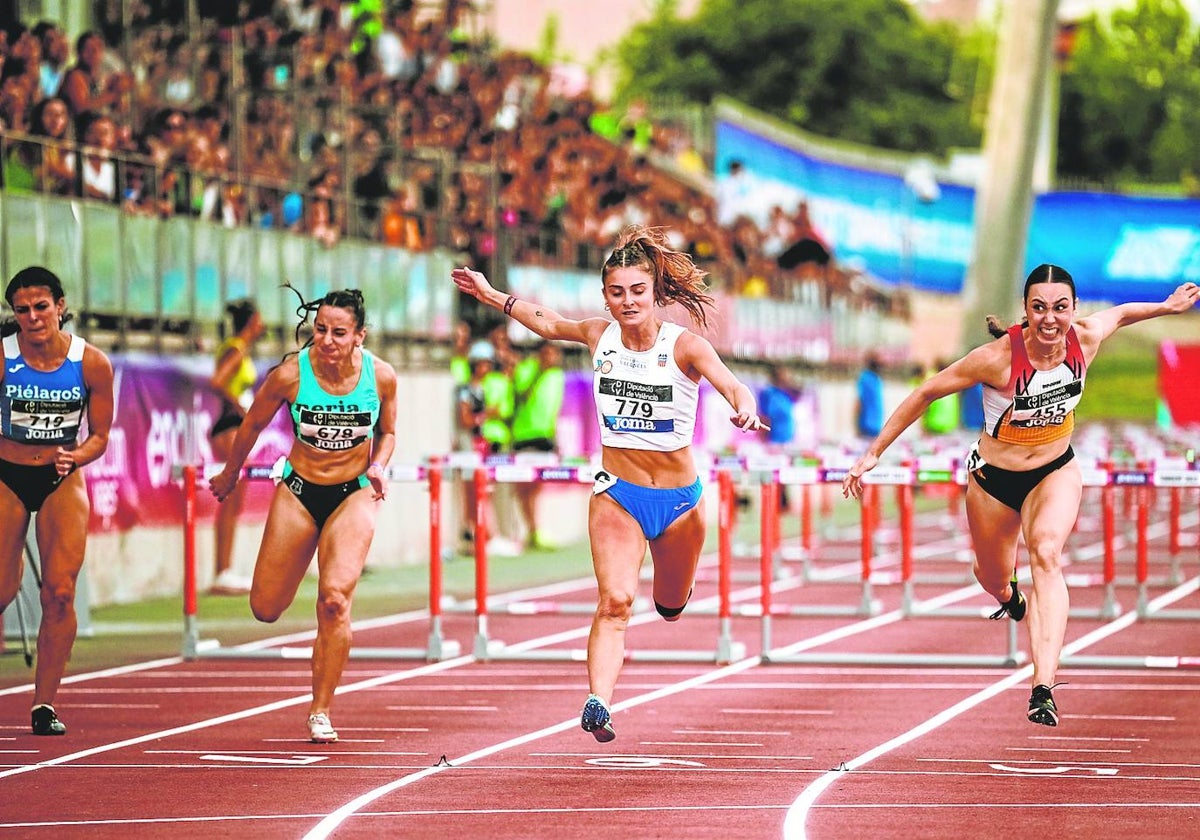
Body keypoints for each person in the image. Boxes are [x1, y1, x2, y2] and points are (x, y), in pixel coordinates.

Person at [842, 265, 1200, 727]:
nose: (1051, 319)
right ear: (1026, 311)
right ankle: (1009, 596)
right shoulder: (996, 358)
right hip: (994, 481)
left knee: (1047, 553)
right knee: (992, 575)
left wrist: (1167, 307)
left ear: (1074, 309)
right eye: (1039, 308)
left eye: (1061, 308)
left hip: (1055, 470)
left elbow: (1125, 314)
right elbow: (927, 392)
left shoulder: (1086, 338)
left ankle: (1042, 685)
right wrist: (873, 454)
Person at [452, 224, 768, 742]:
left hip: (679, 504)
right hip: (617, 494)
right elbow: (548, 321)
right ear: (605, 296)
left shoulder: (684, 346)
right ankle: (599, 700)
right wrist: (492, 296)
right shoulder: (600, 337)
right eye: (617, 292)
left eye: (637, 291)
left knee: (669, 607)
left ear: (656, 292)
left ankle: (675, 595)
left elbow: (732, 384)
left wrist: (745, 409)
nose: (627, 302)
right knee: (615, 601)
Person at [208, 287, 398, 743]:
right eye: (320, 330)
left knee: (334, 600)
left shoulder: (382, 377)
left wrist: (379, 464)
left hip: (353, 494)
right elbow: (251, 424)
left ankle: (320, 710)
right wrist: (230, 474)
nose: (327, 340)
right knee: (265, 608)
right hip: (298, 491)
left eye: (338, 332)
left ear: (360, 336)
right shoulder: (291, 374)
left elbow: (388, 431)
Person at [0, 266, 115, 736]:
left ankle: (43, 704)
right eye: (21, 309)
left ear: (60, 306)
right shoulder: (3, 358)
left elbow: (102, 435)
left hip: (62, 477)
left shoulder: (91, 364)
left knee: (60, 592)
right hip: (7, 474)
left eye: (40, 306)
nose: (32, 317)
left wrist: (77, 454)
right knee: (3, 590)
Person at [207, 298, 266, 595]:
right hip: (230, 425)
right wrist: (242, 408)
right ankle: (222, 571)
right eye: (260, 318)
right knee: (230, 498)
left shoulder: (235, 347)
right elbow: (217, 381)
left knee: (235, 500)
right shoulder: (236, 349)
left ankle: (225, 570)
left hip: (232, 426)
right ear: (253, 320)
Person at [511, 340, 565, 550]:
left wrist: (555, 437)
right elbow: (520, 393)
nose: (551, 358)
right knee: (524, 486)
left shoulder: (557, 377)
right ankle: (531, 529)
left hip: (544, 436)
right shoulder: (527, 369)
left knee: (536, 487)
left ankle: (534, 529)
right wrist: (537, 373)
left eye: (554, 354)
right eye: (547, 353)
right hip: (524, 434)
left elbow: (553, 409)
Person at [758, 363, 799, 508]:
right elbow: (764, 416)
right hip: (773, 439)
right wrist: (764, 438)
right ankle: (775, 502)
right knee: (774, 472)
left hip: (786, 439)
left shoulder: (786, 393)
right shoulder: (768, 393)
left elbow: (800, 389)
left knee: (785, 472)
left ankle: (783, 502)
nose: (787, 377)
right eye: (784, 374)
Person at [854, 353, 883, 440]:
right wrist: (856, 426)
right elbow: (859, 402)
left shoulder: (876, 379)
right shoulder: (865, 378)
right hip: (866, 426)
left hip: (876, 426)